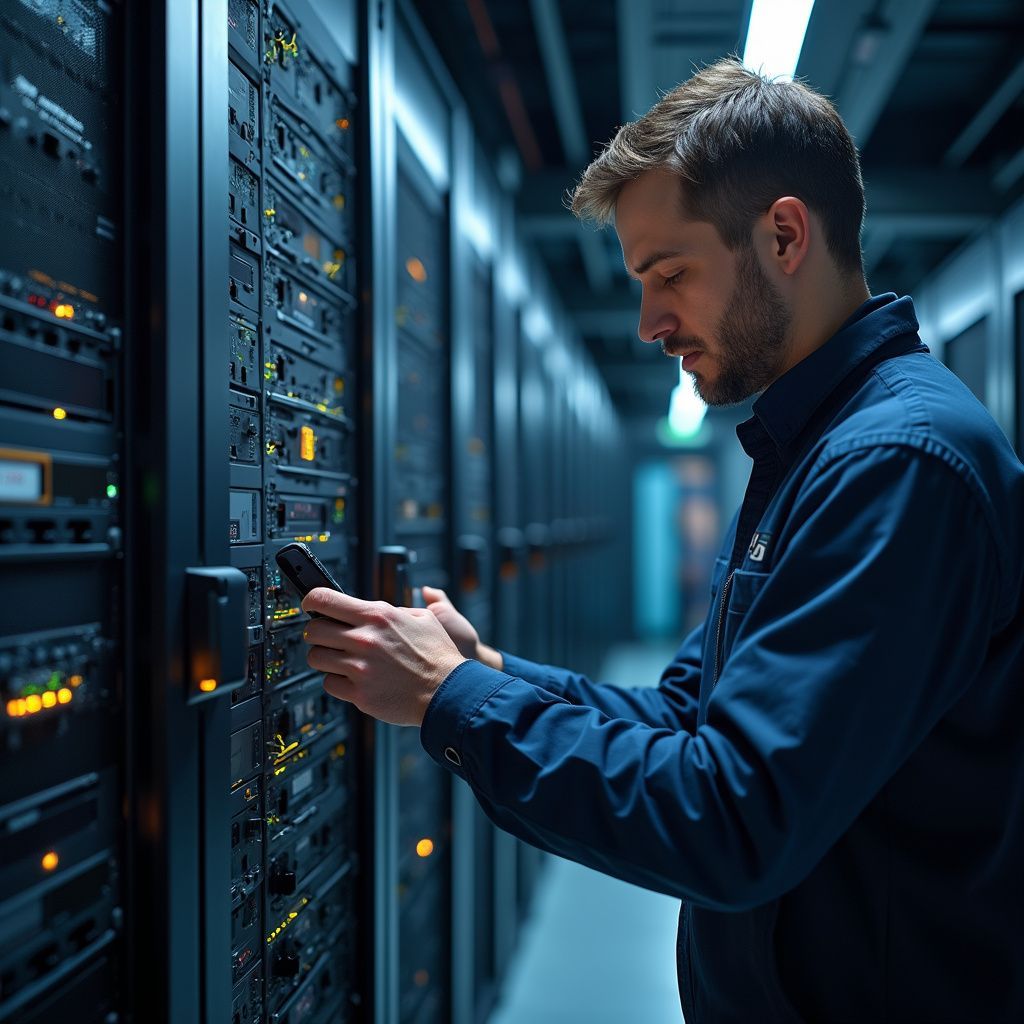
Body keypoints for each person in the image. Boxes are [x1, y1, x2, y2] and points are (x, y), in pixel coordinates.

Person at [300, 58, 1024, 1022]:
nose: (647, 323)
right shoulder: (811, 450)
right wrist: (490, 670)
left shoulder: (897, 464)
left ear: (783, 235)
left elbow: (732, 818)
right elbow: (691, 718)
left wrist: (451, 702)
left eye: (669, 274)